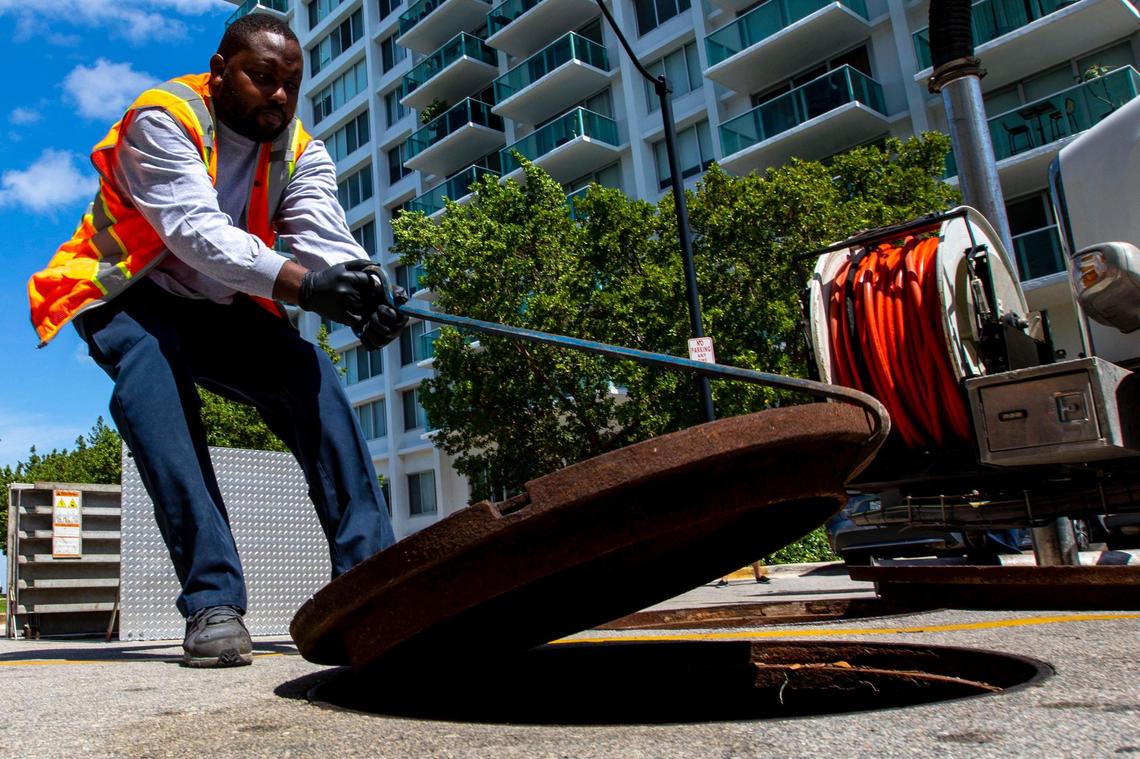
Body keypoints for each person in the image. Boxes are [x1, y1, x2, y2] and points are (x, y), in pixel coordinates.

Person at [27, 15, 407, 668]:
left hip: (220, 303)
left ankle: (373, 580)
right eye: (263, 77)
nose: (280, 97)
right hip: (132, 291)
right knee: (154, 376)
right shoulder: (163, 117)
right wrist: (306, 288)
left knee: (306, 369)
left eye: (291, 83)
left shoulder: (302, 150)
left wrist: (366, 290)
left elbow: (324, 236)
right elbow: (195, 231)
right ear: (220, 68)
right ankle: (213, 600)